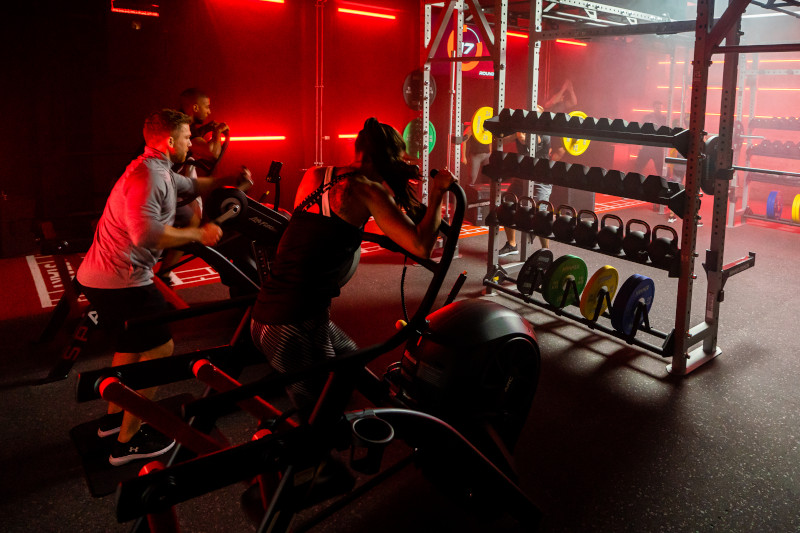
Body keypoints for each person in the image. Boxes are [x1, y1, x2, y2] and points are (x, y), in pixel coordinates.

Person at [76, 109, 252, 466]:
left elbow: (193, 186)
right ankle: (128, 441)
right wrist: (197, 234)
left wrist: (228, 179)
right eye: (187, 138)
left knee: (131, 346)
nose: (191, 143)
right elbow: (146, 234)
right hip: (122, 280)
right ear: (170, 141)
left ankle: (113, 421)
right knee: (160, 346)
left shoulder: (159, 170)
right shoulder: (150, 177)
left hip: (102, 279)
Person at [250, 117, 456, 421]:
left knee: (350, 359)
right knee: (320, 416)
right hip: (291, 326)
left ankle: (381, 419)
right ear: (378, 158)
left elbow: (319, 232)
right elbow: (421, 247)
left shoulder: (316, 175)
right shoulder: (367, 191)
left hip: (276, 313)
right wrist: (438, 193)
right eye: (394, 159)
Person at [158, 88, 235, 285]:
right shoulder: (184, 128)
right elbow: (212, 153)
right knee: (192, 220)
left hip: (165, 182)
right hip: (161, 186)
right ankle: (164, 273)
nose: (209, 111)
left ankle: (162, 270)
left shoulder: (179, 124)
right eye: (206, 107)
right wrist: (216, 133)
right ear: (194, 107)